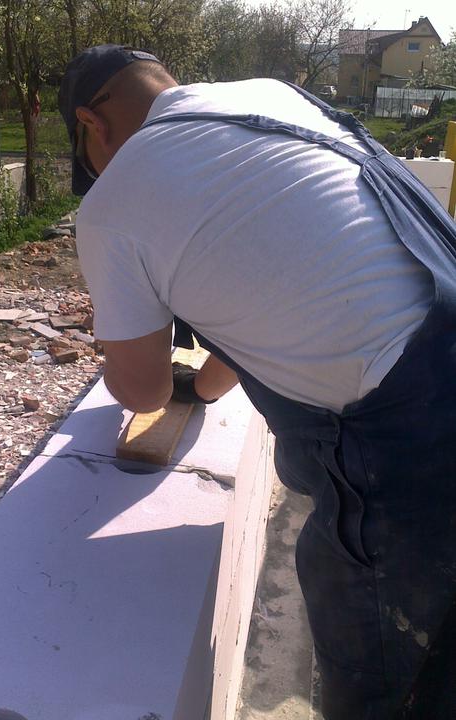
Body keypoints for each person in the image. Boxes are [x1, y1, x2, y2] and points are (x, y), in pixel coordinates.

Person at [59, 44, 456, 719]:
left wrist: (119, 358)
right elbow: (267, 291)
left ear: (90, 124)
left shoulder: (114, 201)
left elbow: (144, 394)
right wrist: (201, 388)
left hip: (415, 451)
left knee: (388, 684)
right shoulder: (273, 98)